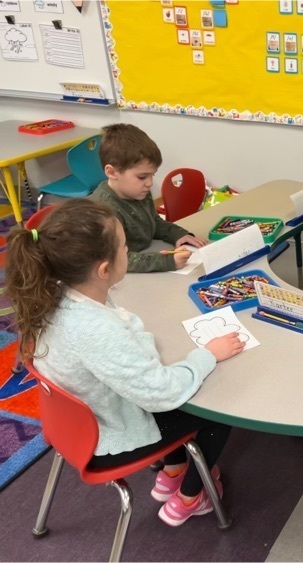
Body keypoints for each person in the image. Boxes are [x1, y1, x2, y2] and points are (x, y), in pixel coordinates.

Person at [6, 199, 244, 527]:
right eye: (123, 246)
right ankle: (193, 495)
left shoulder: (56, 292)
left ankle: (173, 470)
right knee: (219, 411)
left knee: (175, 388)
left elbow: (124, 332)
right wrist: (207, 354)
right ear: (104, 270)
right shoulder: (95, 329)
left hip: (76, 424)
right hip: (109, 435)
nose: (128, 249)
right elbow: (161, 393)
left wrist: (139, 349)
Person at [89, 123, 207, 273]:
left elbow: (154, 223)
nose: (150, 183)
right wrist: (166, 261)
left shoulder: (138, 192)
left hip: (144, 257)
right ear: (112, 172)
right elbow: (115, 260)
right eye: (142, 177)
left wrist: (178, 234)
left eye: (152, 175)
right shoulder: (103, 211)